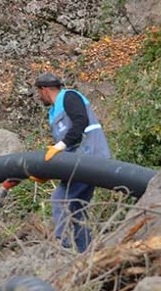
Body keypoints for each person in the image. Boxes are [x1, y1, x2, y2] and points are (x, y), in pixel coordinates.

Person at [34, 72, 111, 253]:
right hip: (79, 161)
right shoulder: (54, 111)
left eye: (39, 93)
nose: (39, 97)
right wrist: (47, 172)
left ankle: (63, 245)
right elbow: (68, 147)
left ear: (44, 90)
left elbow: (80, 122)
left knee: (59, 199)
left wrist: (59, 146)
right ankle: (86, 253)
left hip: (90, 158)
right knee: (77, 208)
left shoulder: (69, 97)